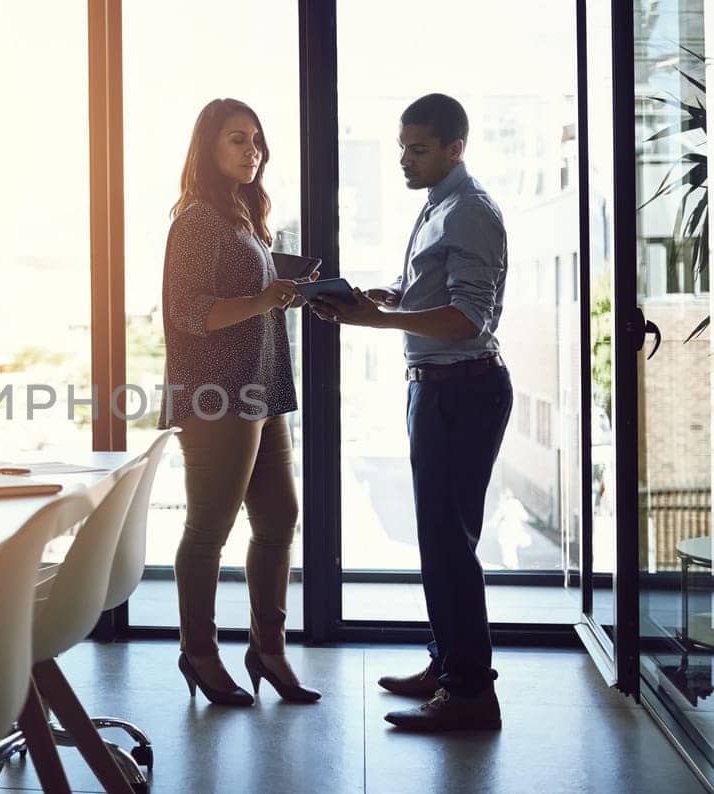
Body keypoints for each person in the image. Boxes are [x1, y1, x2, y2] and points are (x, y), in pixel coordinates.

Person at [308, 93, 510, 731]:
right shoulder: (439, 207)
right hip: (440, 386)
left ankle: (470, 693)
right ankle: (448, 664)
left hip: (462, 389)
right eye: (402, 145)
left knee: (450, 547)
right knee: (439, 543)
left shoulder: (469, 211)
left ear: (456, 148)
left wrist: (375, 316)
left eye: (417, 148)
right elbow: (435, 292)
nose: (403, 159)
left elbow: (466, 317)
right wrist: (387, 295)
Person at [158, 97, 320, 707]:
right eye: (235, 139)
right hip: (217, 394)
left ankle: (267, 649)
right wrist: (265, 298)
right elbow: (188, 314)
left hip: (259, 388)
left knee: (279, 518)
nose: (251, 150)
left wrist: (283, 289)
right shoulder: (197, 219)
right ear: (207, 147)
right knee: (208, 531)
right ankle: (198, 651)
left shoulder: (240, 216)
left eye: (256, 139)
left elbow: (242, 291)